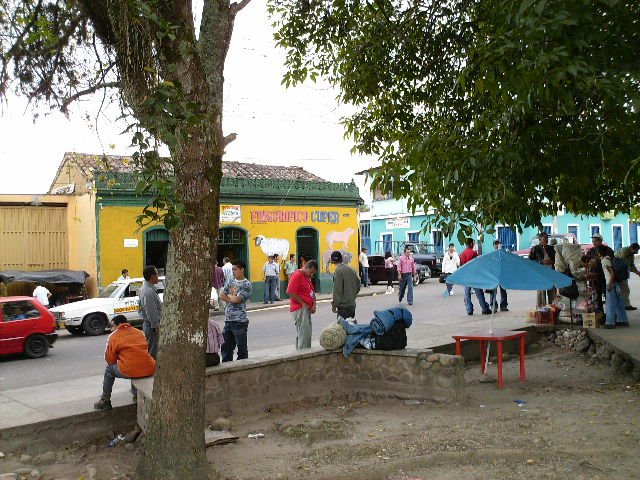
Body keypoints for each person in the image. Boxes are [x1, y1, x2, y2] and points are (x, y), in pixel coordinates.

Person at [93, 316, 156, 411]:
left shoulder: (113, 336)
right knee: (132, 362)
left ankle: (105, 400)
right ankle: (135, 393)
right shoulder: (140, 332)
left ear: (118, 324)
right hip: (149, 368)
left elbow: (110, 359)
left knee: (109, 370)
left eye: (112, 326)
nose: (111, 328)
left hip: (131, 369)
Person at [220, 260, 252, 362]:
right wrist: (231, 297)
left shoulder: (246, 284)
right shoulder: (230, 281)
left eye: (235, 269)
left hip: (239, 321)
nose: (233, 271)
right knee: (226, 348)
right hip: (228, 320)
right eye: (232, 269)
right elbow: (221, 295)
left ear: (242, 270)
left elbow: (237, 300)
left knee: (241, 349)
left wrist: (228, 295)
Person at [287, 260, 318, 349]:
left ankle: (301, 352)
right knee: (304, 334)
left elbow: (312, 292)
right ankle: (304, 354)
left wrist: (313, 305)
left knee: (304, 333)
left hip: (306, 308)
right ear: (306, 267)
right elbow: (290, 292)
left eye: (313, 274)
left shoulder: (306, 277)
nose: (311, 275)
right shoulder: (297, 275)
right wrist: (303, 303)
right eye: (311, 272)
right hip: (300, 308)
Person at [597, 245, 629, 329]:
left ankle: (610, 323)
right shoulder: (609, 258)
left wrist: (610, 283)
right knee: (619, 303)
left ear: (600, 253)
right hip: (616, 284)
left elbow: (612, 272)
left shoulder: (605, 261)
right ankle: (623, 321)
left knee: (610, 304)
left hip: (611, 283)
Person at [460, 238, 491, 315]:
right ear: (471, 244)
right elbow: (477, 264)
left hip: (466, 276)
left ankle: (469, 310)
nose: (474, 244)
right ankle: (484, 308)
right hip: (474, 276)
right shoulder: (473, 253)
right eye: (473, 243)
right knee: (479, 293)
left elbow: (461, 265)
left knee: (467, 294)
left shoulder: (462, 254)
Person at [138, 265, 162, 359]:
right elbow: (151, 310)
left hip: (149, 324)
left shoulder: (147, 289)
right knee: (153, 351)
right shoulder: (148, 291)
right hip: (152, 326)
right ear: (152, 276)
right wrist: (156, 325)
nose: (158, 277)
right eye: (157, 275)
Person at [587, 233, 614, 312]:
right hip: (595, 276)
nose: (593, 243)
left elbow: (611, 261)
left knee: (607, 295)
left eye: (595, 241)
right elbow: (587, 260)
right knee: (597, 295)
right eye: (593, 241)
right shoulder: (591, 250)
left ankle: (611, 314)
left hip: (605, 276)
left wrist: (598, 259)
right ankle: (600, 312)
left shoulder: (607, 250)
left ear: (600, 241)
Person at [529, 232, 556, 308]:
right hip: (541, 274)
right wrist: (541, 262)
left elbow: (556, 259)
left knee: (552, 293)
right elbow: (530, 261)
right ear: (540, 239)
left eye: (547, 238)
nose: (546, 240)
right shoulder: (535, 249)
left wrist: (551, 261)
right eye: (545, 238)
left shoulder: (551, 248)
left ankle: (552, 310)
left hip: (551, 273)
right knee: (541, 294)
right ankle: (541, 311)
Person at [330, 251, 361, 319]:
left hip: (343, 306)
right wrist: (352, 295)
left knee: (343, 328)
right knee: (351, 326)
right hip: (352, 304)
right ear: (342, 259)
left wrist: (334, 305)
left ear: (332, 261)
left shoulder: (338, 271)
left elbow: (337, 290)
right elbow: (358, 285)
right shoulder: (351, 269)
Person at [615, 243, 640, 310]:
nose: (636, 252)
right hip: (619, 274)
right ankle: (625, 305)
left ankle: (624, 305)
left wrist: (637, 272)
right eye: (635, 251)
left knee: (624, 290)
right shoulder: (624, 252)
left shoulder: (631, 254)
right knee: (625, 290)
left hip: (622, 274)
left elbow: (631, 265)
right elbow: (625, 264)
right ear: (631, 248)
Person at [489, 240, 509, 312]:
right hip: (494, 275)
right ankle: (493, 305)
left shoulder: (503, 253)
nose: (497, 245)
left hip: (502, 274)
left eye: (499, 243)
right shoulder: (492, 254)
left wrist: (500, 250)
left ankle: (503, 305)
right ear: (493, 245)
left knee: (503, 290)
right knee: (493, 291)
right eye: (496, 244)